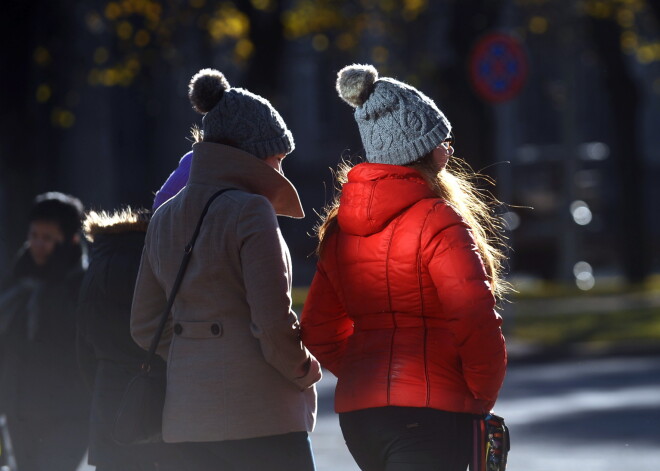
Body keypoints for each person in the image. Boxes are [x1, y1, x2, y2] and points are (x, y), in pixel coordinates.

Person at [300, 64, 508, 471]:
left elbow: (319, 330)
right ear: (421, 149)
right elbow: (475, 318)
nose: (449, 148)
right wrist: (478, 397)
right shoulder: (439, 219)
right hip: (433, 415)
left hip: (362, 418)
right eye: (441, 139)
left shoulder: (341, 228)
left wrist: (368, 374)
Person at [130, 68, 322, 471]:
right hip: (262, 418)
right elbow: (271, 322)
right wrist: (304, 370)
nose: (281, 169)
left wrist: (195, 354)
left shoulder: (165, 216)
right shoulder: (250, 211)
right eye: (278, 156)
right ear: (252, 152)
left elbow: (145, 324)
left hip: (187, 420)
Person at [76, 205, 188, 471]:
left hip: (109, 408)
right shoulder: (162, 256)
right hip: (160, 408)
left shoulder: (97, 262)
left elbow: (83, 347)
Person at [0, 191, 90, 471]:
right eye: (34, 235)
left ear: (70, 240)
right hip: (20, 415)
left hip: (68, 416)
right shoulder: (18, 289)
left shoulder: (82, 290)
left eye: (48, 238)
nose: (38, 244)